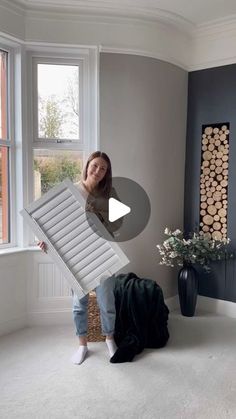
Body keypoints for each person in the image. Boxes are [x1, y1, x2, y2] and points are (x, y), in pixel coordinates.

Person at [38, 151, 122, 365]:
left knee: (107, 301)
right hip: (76, 255)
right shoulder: (70, 191)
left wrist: (98, 216)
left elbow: (118, 224)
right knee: (79, 302)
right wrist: (43, 240)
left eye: (103, 168)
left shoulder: (109, 194)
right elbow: (51, 218)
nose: (98, 171)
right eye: (95, 165)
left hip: (102, 254)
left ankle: (110, 340)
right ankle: (82, 345)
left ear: (106, 173)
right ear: (87, 166)